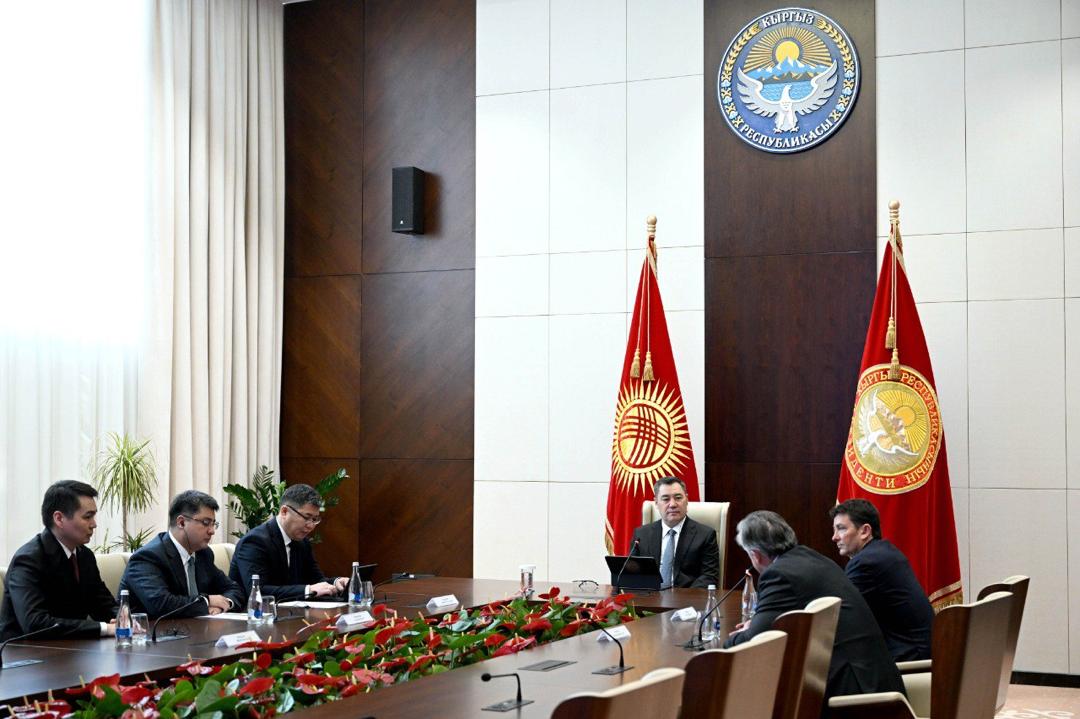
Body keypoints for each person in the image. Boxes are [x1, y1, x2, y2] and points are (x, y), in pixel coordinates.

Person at [724, 510, 904, 705]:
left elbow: (754, 642)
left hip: (856, 697)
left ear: (755, 555)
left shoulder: (778, 574)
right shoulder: (812, 558)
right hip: (877, 680)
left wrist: (723, 645)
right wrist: (761, 622)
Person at [0, 481, 118, 640]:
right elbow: (35, 624)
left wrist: (124, 619)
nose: (94, 524)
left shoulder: (84, 556)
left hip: (72, 648)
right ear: (59, 518)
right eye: (87, 517)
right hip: (26, 651)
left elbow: (103, 604)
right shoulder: (28, 559)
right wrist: (104, 628)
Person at [830, 498, 934, 661]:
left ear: (865, 531)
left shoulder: (865, 563)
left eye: (841, 529)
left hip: (911, 659)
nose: (834, 537)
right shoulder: (883, 552)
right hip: (925, 651)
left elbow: (841, 614)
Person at [119, 490, 244, 618]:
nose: (212, 531)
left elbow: (234, 589)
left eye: (213, 524)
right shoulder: (148, 557)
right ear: (181, 522)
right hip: (150, 629)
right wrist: (207, 601)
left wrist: (223, 604)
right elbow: (161, 605)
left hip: (196, 627)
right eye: (206, 523)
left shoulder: (203, 554)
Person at [229, 483, 347, 600]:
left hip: (292, 609)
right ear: (284, 511)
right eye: (306, 517)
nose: (311, 525)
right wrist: (308, 590)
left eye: (315, 519)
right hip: (255, 611)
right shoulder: (255, 541)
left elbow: (316, 580)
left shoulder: (302, 543)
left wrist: (336, 583)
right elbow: (258, 591)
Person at [629, 476, 719, 589]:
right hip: (649, 596)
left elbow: (709, 577)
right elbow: (631, 573)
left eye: (678, 498)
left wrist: (679, 597)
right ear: (656, 503)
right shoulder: (641, 535)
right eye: (665, 499)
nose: (672, 504)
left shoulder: (705, 535)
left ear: (686, 500)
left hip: (687, 597)